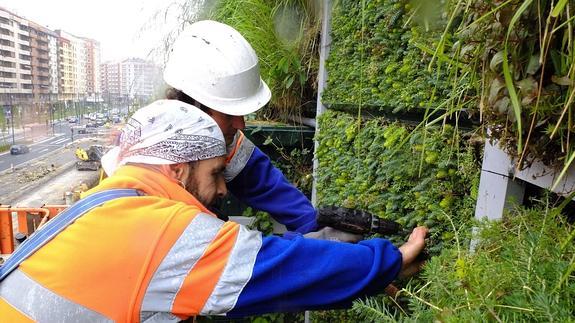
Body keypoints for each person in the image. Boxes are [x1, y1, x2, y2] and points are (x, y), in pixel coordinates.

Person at [0, 100, 428, 321]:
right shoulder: (154, 229)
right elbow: (274, 269)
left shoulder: (101, 204)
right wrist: (389, 260)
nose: (224, 189)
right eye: (217, 174)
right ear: (178, 170)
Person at [163, 20, 319, 234]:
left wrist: (317, 231)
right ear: (194, 107)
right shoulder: (148, 169)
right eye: (229, 114)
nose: (240, 125)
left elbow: (275, 192)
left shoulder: (227, 143)